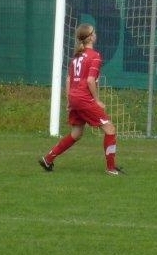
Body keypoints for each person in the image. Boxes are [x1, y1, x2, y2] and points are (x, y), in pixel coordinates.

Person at [39, 23, 122, 176]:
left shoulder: (76, 57)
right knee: (110, 130)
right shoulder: (95, 56)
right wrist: (97, 100)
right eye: (94, 32)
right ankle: (111, 168)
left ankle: (48, 159)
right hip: (84, 98)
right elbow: (90, 80)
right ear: (90, 37)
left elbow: (69, 79)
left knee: (76, 134)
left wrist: (70, 100)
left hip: (75, 97)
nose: (96, 34)